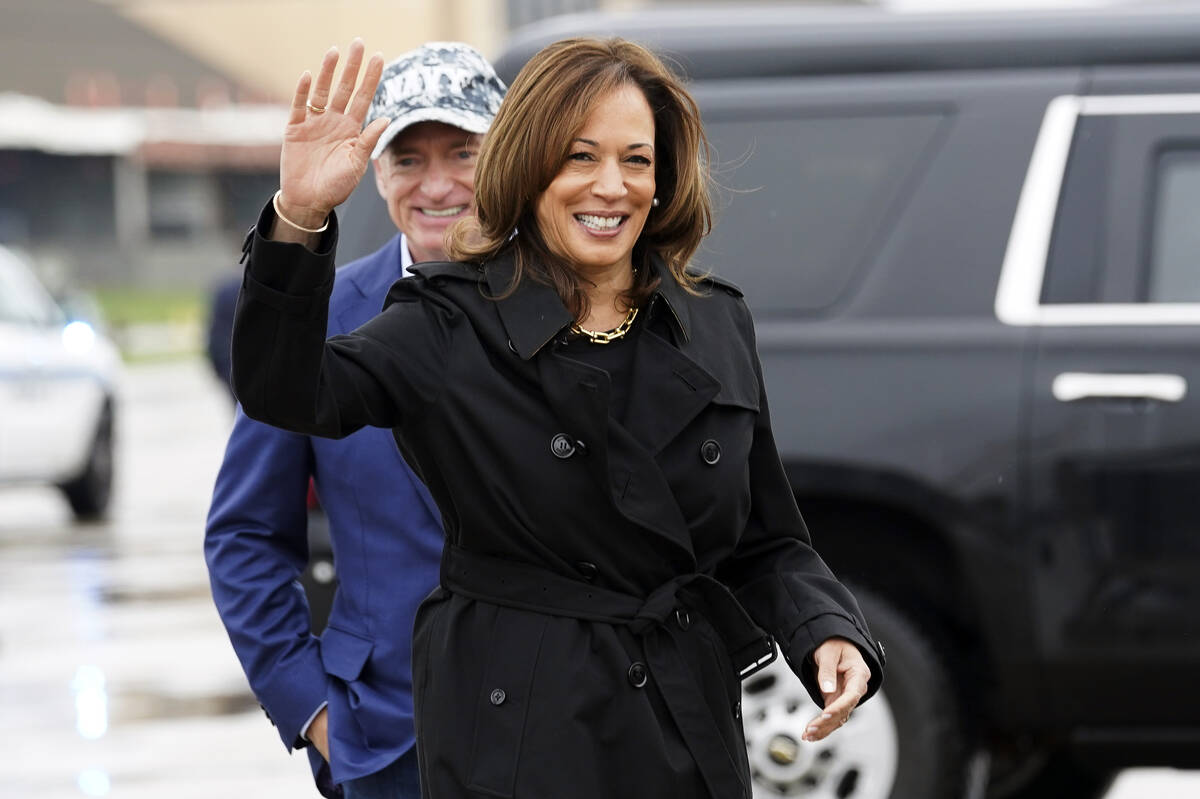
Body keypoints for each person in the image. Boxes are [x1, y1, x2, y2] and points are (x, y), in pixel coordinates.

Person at [231, 36, 886, 799]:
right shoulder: (447, 322)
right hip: (516, 736)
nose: (612, 186)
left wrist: (827, 628)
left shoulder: (714, 323)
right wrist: (299, 218)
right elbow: (286, 392)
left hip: (684, 723)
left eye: (636, 160)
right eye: (580, 157)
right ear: (530, 167)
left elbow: (767, 539)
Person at [204, 42, 505, 799]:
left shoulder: (568, 308)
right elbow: (243, 535)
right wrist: (313, 711)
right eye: (407, 158)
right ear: (376, 171)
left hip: (552, 733)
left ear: (505, 157)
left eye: (463, 152)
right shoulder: (324, 317)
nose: (437, 185)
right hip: (386, 742)